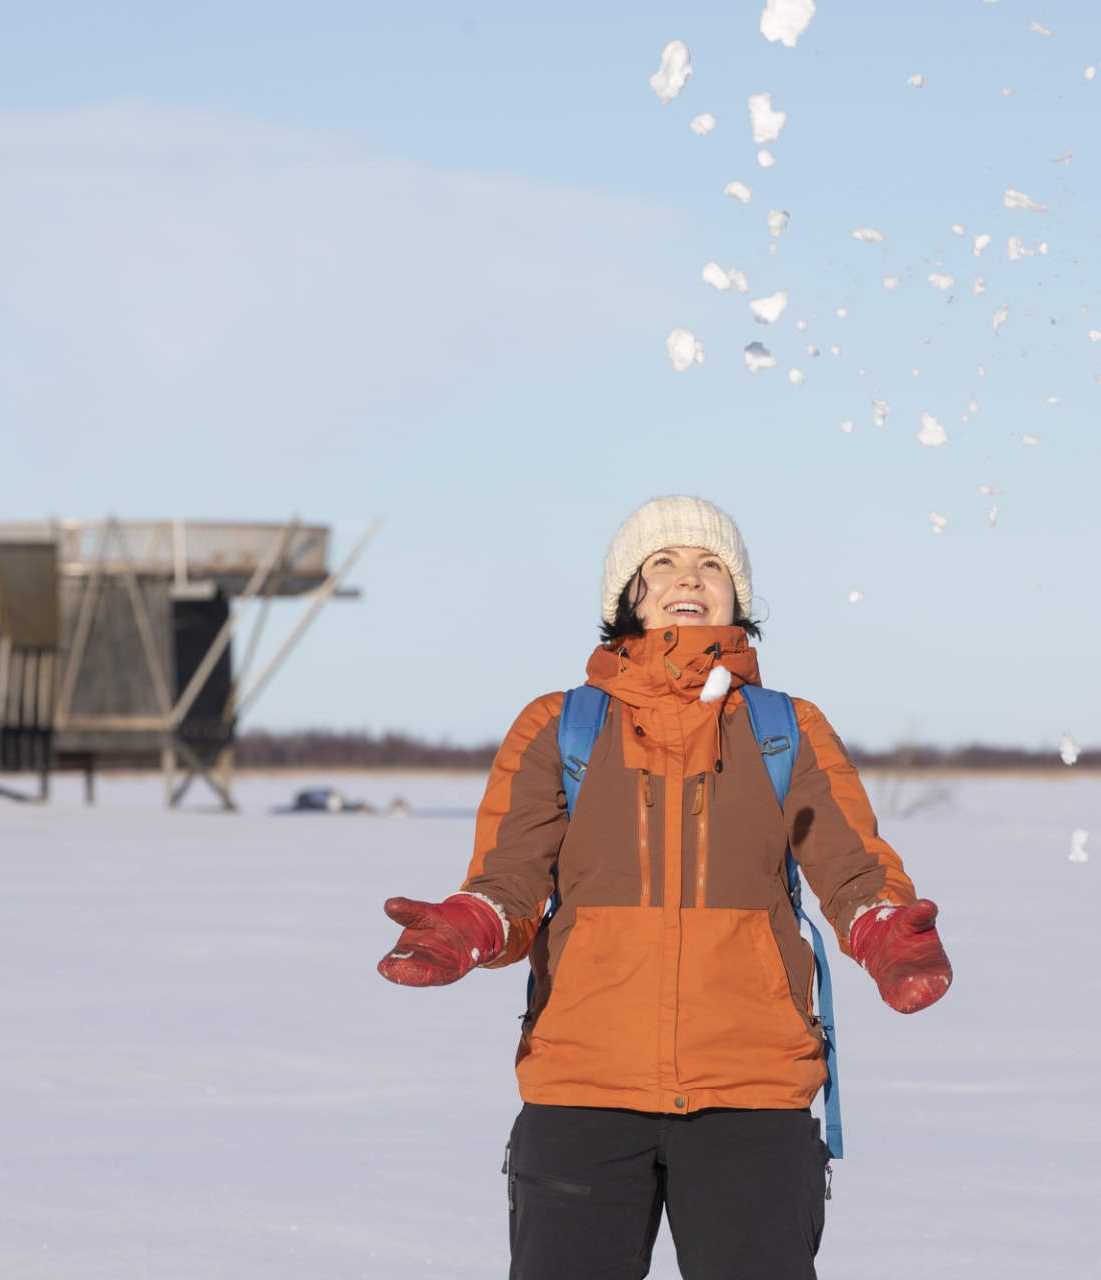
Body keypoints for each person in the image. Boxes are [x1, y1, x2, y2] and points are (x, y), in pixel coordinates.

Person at [377, 496, 952, 1280]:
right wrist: (469, 925)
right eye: (663, 563)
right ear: (628, 597)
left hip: (751, 1091)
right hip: (583, 1088)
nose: (690, 577)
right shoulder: (560, 725)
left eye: (712, 564)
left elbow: (852, 869)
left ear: (738, 597)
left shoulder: (788, 727)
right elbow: (509, 880)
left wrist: (886, 931)